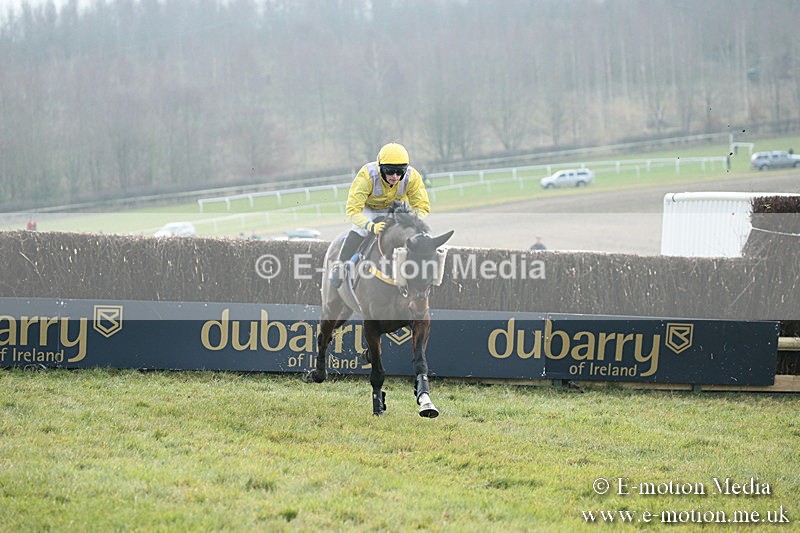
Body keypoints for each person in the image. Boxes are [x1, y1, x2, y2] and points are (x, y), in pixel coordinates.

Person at [330, 142, 430, 288]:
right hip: (368, 208)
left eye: (400, 171)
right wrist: (371, 226)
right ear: (380, 167)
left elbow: (422, 206)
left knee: (413, 232)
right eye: (389, 171)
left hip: (394, 208)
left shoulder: (412, 176)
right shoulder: (367, 175)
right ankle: (341, 264)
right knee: (361, 229)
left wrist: (412, 221)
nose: (395, 176)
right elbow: (353, 210)